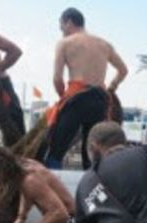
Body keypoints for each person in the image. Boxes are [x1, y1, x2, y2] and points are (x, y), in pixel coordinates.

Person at [43, 8, 128, 170]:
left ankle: (53, 182)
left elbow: (57, 78)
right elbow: (123, 70)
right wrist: (111, 87)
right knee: (93, 152)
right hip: (99, 100)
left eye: (61, 25)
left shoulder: (65, 43)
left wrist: (63, 98)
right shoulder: (104, 44)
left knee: (56, 150)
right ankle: (93, 184)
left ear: (68, 22)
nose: (61, 30)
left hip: (76, 99)